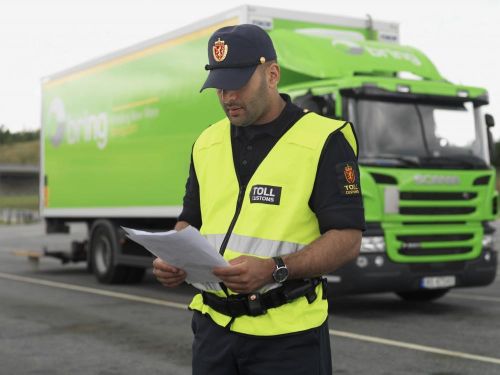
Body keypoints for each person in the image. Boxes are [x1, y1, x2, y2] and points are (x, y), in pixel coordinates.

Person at [152, 24, 365, 375]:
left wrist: (275, 268)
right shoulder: (207, 141)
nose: (227, 97)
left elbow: (347, 240)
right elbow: (191, 219)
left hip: (287, 337)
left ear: (272, 74)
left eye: (238, 84)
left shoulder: (324, 139)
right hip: (212, 330)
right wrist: (175, 256)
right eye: (219, 86)